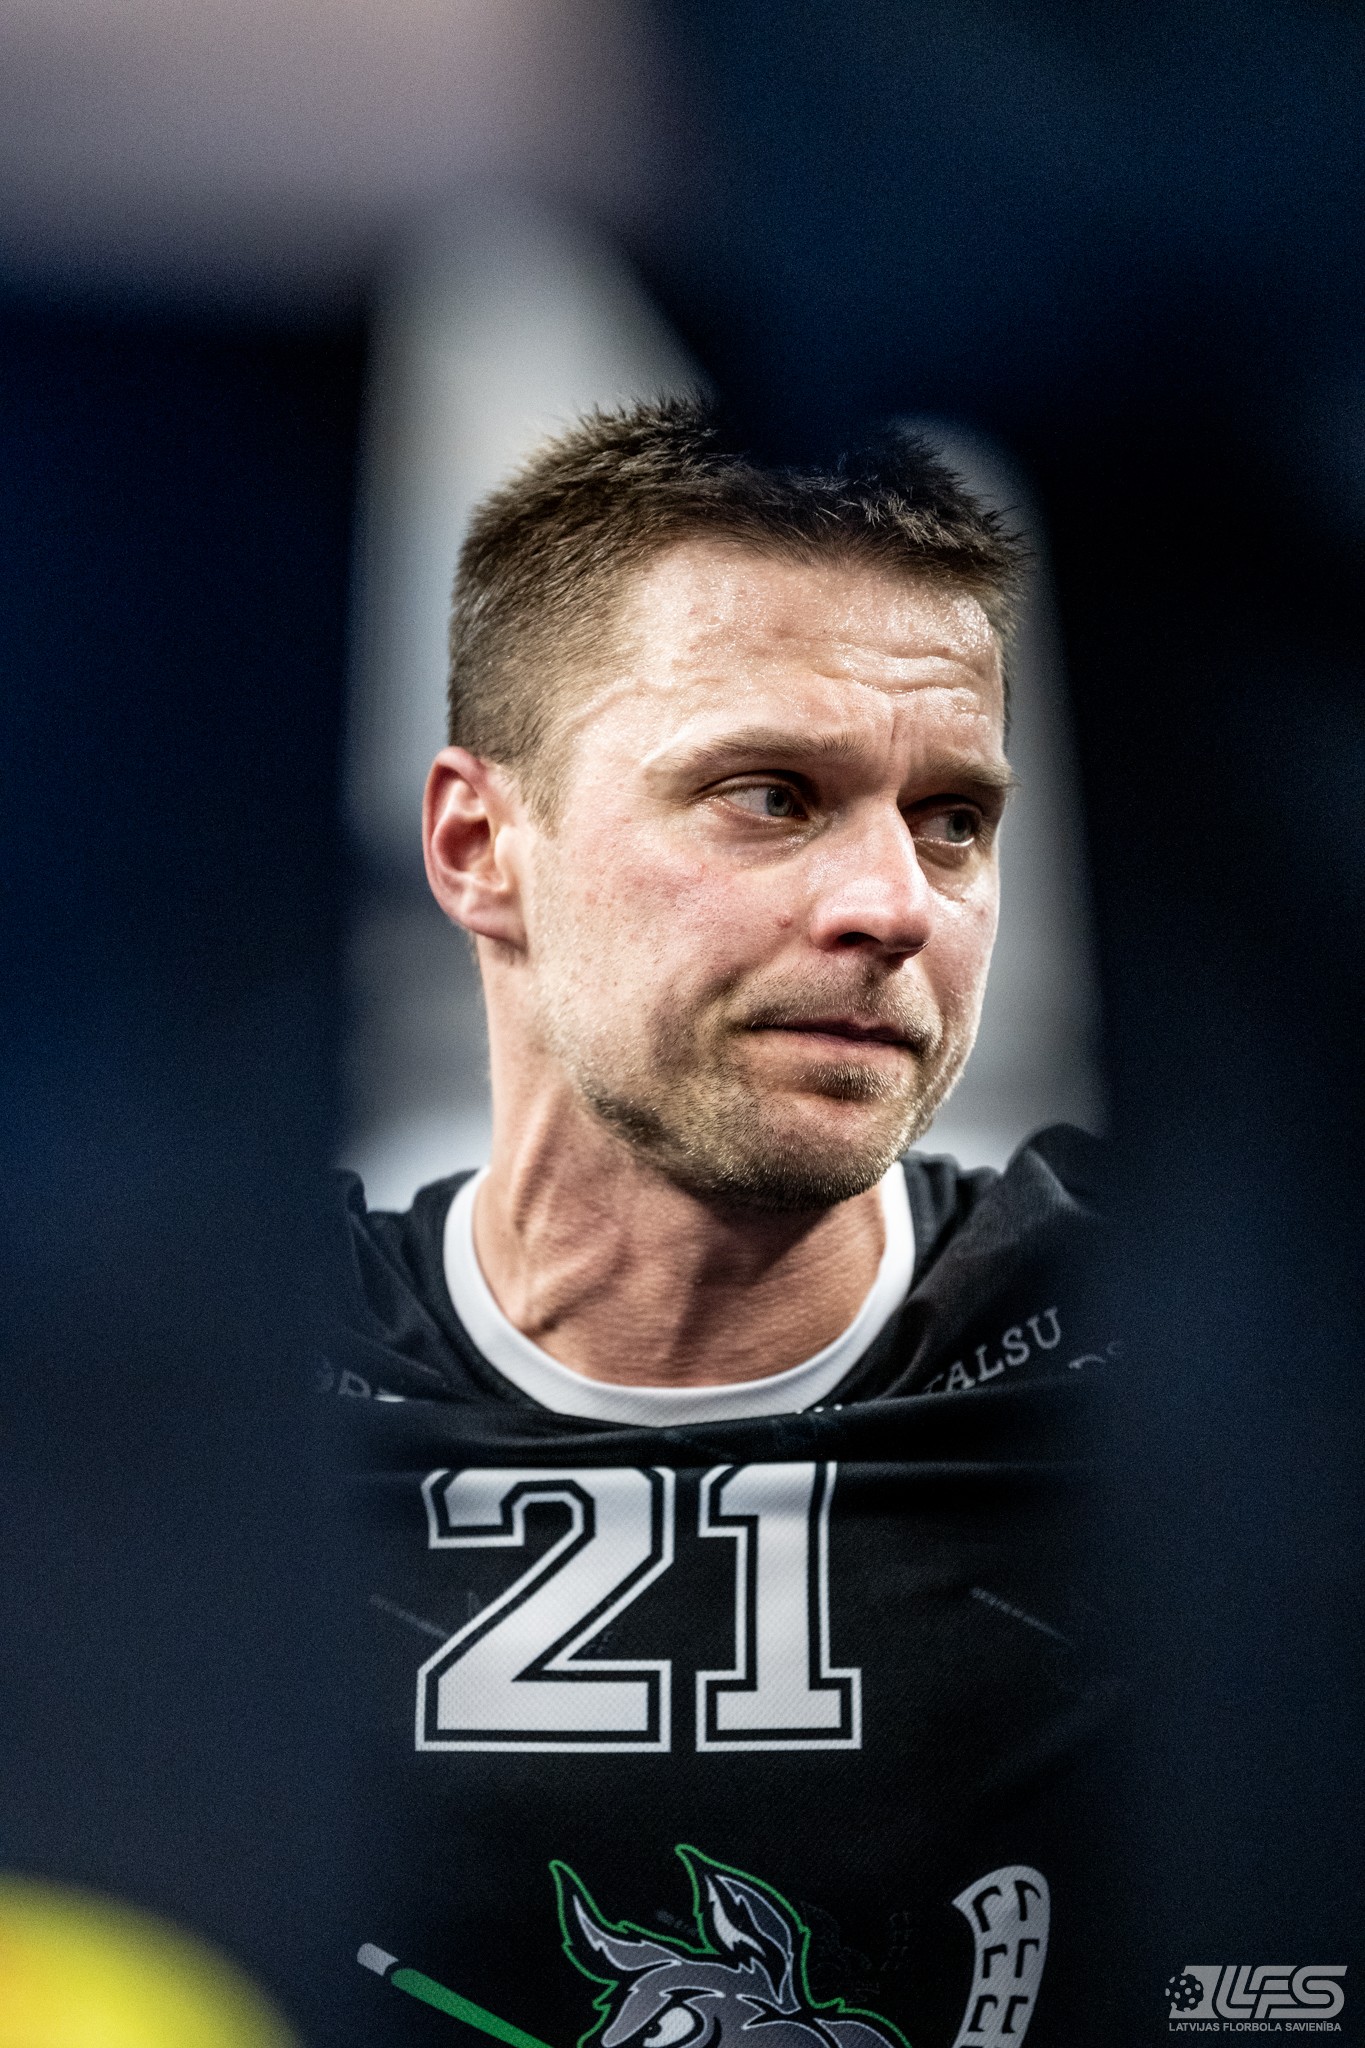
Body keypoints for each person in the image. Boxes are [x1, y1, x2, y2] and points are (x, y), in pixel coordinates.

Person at [327, 399, 1118, 2048]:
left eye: (952, 819)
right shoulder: (188, 1400)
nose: (894, 906)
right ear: (480, 845)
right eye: (769, 794)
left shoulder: (1176, 1369)